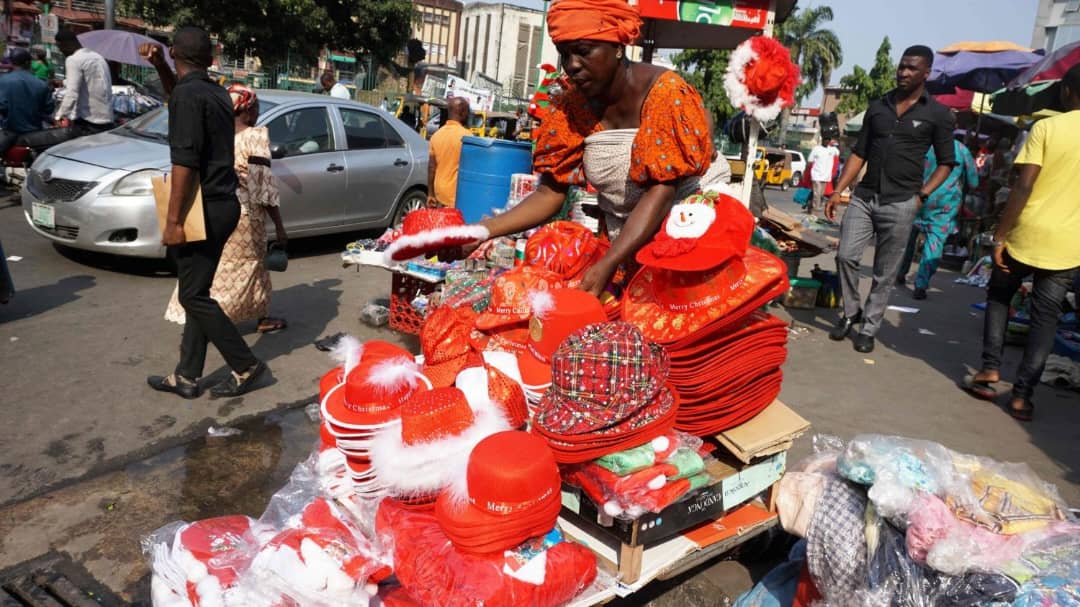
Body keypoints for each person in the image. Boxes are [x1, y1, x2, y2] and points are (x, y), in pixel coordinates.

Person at [469, 0, 714, 297]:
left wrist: (609, 262)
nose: (571, 65)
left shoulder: (665, 94)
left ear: (618, 47)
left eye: (583, 52)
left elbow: (661, 191)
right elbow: (550, 192)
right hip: (623, 244)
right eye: (564, 54)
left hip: (685, 238)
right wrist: (482, 232)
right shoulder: (572, 108)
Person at [140, 27, 267, 399]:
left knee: (192, 295)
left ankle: (245, 365)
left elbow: (184, 162)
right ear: (210, 59)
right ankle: (187, 375)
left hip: (203, 207)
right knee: (197, 289)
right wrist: (162, 65)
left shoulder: (189, 96)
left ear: (176, 51)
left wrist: (174, 221)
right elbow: (177, 93)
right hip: (225, 204)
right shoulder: (214, 92)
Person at [962, 63, 1080, 422]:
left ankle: (989, 371)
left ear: (1065, 91)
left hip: (1026, 232)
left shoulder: (1046, 127)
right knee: (1046, 319)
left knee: (1000, 295)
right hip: (1068, 245)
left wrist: (1000, 236)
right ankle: (1022, 396)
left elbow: (1024, 186)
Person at [825, 45, 956, 353]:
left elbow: (947, 162)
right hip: (864, 195)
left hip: (901, 202)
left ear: (926, 73)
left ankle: (869, 328)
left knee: (885, 273)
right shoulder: (879, 106)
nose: (903, 72)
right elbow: (860, 152)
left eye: (912, 68)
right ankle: (850, 310)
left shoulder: (937, 114)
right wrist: (838, 190)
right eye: (901, 66)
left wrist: (922, 195)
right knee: (845, 256)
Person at [165, 83, 289, 334]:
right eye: (256, 107)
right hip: (246, 216)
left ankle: (253, 315)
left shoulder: (214, 136)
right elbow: (262, 186)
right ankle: (215, 322)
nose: (257, 113)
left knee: (220, 268)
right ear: (247, 109)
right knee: (249, 267)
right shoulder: (255, 136)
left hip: (214, 210)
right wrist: (279, 225)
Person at [897, 138, 978, 299]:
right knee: (934, 242)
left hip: (918, 196)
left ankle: (900, 272)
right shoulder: (961, 150)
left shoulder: (924, 144)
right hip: (945, 203)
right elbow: (974, 181)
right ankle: (921, 284)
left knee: (908, 237)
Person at [0, 48, 54, 154]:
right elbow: (48, 109)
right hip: (35, 135)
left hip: (9, 132)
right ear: (28, 62)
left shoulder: (3, 81)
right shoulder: (41, 84)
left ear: (11, 62)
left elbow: (2, 106)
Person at [426, 96, 471, 208]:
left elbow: (432, 168)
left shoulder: (436, 136)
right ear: (463, 112)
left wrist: (430, 194)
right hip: (456, 196)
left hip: (439, 193)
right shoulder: (467, 137)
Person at [806, 138, 839, 214]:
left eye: (828, 140)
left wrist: (834, 143)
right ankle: (815, 211)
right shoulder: (816, 149)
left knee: (820, 195)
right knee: (817, 194)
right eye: (825, 139)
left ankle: (810, 205)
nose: (826, 141)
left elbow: (838, 152)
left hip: (825, 176)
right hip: (816, 175)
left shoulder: (833, 150)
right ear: (823, 140)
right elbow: (810, 160)